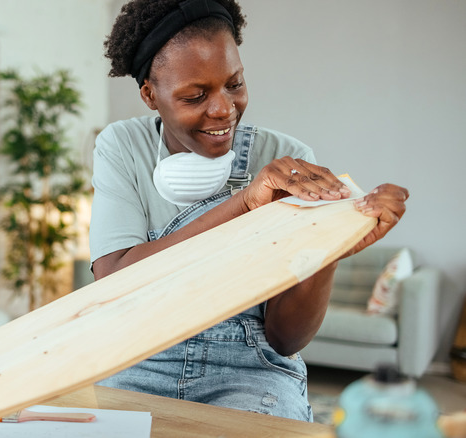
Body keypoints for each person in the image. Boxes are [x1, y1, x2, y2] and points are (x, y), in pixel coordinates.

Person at [89, 0, 409, 422]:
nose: (223, 109)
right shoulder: (122, 146)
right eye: (196, 95)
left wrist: (327, 251)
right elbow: (114, 281)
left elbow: (285, 338)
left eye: (234, 84)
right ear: (150, 94)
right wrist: (243, 203)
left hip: (250, 370)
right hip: (138, 359)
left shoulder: (287, 158)